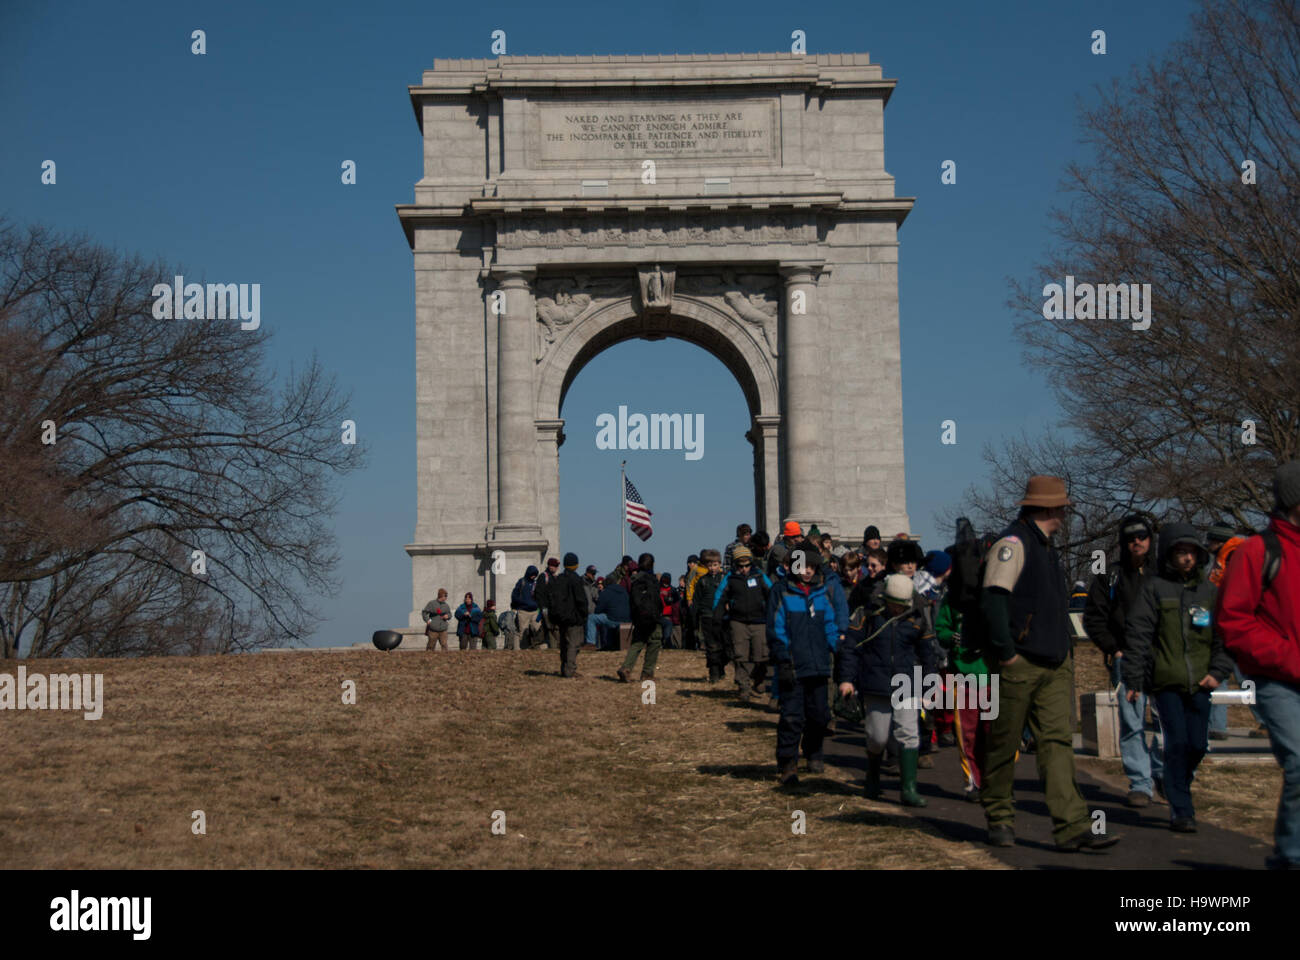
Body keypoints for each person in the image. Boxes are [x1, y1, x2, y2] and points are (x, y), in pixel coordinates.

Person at [980, 475, 1120, 852]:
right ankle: (999, 816)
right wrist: (1007, 652)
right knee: (1003, 742)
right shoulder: (1012, 544)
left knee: (1057, 742)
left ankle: (1072, 824)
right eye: (1060, 506)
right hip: (1019, 663)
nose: (1064, 513)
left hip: (1055, 661)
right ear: (1047, 507)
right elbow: (994, 599)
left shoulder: (1047, 548)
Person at [1217, 460, 1300, 868]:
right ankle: (1290, 859)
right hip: (1277, 681)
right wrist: (1288, 655)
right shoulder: (1256, 551)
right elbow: (1233, 621)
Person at [1124, 523, 1233, 832]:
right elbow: (1138, 635)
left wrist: (1218, 672)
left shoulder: (1210, 592)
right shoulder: (1154, 588)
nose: (1186, 558)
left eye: (1191, 552)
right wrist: (1134, 679)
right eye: (1180, 552)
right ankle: (1181, 809)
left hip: (1201, 681)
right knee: (1178, 742)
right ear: (1169, 555)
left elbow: (1224, 636)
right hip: (1166, 681)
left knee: (1198, 744)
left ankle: (1174, 784)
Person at [1082, 513, 1164, 807]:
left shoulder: (1163, 573)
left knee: (1167, 722)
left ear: (1150, 540)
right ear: (1122, 543)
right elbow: (1094, 617)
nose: (1136, 542)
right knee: (1132, 723)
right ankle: (1140, 783)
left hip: (1163, 659)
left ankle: (1161, 772)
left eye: (1141, 536)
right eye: (1130, 538)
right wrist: (1113, 648)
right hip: (1126, 658)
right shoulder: (1108, 576)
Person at [838, 574, 938, 806]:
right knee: (877, 736)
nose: (897, 609)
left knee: (909, 734)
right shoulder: (868, 614)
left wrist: (929, 688)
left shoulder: (918, 617)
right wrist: (846, 680)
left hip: (907, 683)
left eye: (901, 605)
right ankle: (872, 776)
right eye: (894, 604)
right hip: (876, 682)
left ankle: (909, 788)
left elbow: (927, 655)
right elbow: (851, 647)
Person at [767, 544, 841, 785]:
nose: (807, 571)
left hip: (819, 665)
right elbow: (776, 629)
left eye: (811, 566)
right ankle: (788, 762)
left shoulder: (821, 593)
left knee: (819, 715)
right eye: (802, 566)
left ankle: (813, 752)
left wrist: (836, 649)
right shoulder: (782, 592)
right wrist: (783, 659)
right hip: (793, 666)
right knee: (792, 717)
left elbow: (830, 623)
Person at [715, 545, 771, 697]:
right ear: (735, 564)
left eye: (747, 565)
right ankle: (744, 686)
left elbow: (772, 594)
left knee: (761, 655)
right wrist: (717, 616)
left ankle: (759, 680)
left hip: (760, 620)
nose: (744, 569)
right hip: (738, 621)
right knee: (741, 655)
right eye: (741, 565)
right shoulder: (730, 578)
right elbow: (720, 597)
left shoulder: (759, 576)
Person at [618, 553, 664, 682]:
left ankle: (626, 667)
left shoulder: (635, 579)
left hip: (638, 617)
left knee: (637, 643)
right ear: (652, 564)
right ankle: (647, 673)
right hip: (652, 618)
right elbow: (656, 600)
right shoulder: (652, 579)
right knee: (654, 642)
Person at [548, 552, 590, 678]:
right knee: (573, 644)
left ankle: (564, 668)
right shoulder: (576, 579)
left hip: (561, 618)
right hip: (574, 617)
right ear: (576, 565)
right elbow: (581, 600)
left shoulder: (559, 579)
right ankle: (570, 670)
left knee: (564, 645)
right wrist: (584, 614)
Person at [693, 549, 728, 682]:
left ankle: (721, 668)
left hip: (722, 617)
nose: (713, 568)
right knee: (711, 646)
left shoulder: (725, 579)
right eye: (710, 565)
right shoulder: (702, 581)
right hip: (707, 616)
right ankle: (714, 673)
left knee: (724, 645)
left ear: (719, 564)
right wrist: (695, 618)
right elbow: (696, 601)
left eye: (715, 565)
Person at [589, 572, 630, 650]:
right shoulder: (624, 591)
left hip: (613, 619)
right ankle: (611, 644)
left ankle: (590, 643)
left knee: (591, 618)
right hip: (627, 619)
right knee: (610, 620)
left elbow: (598, 610)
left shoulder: (606, 592)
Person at [510, 565, 543, 648]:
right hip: (523, 611)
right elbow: (514, 595)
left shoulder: (536, 584)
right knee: (523, 632)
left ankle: (536, 647)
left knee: (537, 629)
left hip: (535, 611)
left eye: (535, 575)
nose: (533, 576)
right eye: (532, 574)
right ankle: (522, 649)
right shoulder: (521, 582)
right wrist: (520, 603)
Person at [535, 557, 563, 650]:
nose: (554, 568)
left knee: (546, 627)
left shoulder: (553, 577)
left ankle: (536, 643)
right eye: (553, 565)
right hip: (546, 608)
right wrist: (542, 607)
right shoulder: (544, 577)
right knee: (551, 627)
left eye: (555, 566)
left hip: (552, 608)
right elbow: (539, 593)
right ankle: (556, 646)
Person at [659, 572, 679, 650]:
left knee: (668, 631)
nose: (665, 582)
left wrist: (668, 595)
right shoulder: (657, 589)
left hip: (670, 615)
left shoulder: (673, 590)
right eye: (664, 580)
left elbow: (677, 600)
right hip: (660, 614)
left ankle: (667, 644)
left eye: (667, 580)